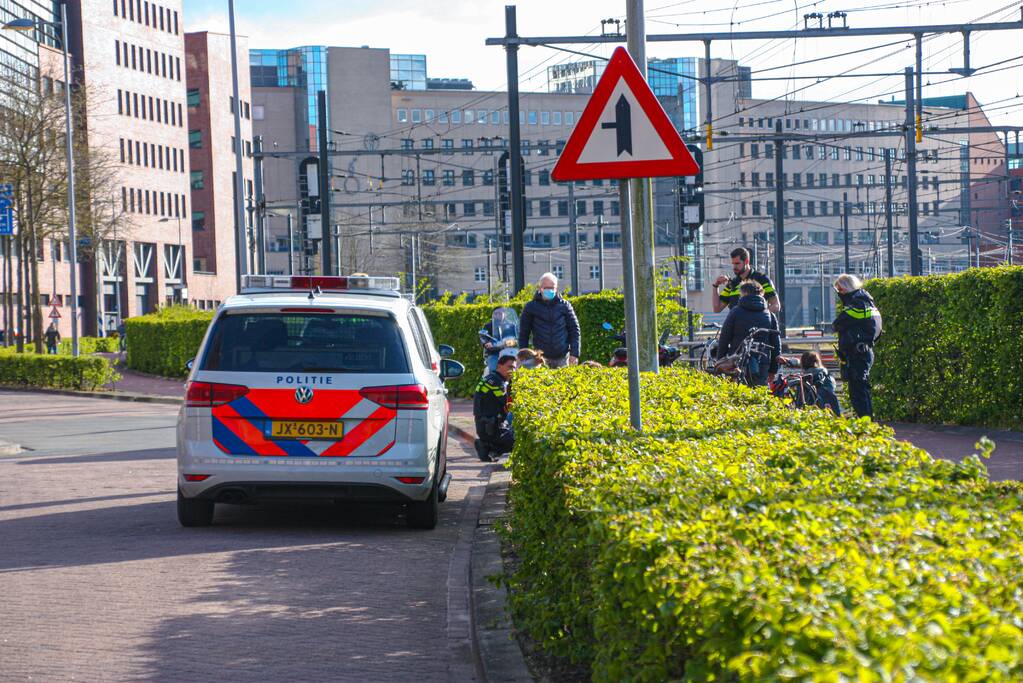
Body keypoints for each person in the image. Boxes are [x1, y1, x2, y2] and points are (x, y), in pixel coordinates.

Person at [833, 273, 882, 419]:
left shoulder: (858, 303)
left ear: (846, 288)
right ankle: (865, 422)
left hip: (858, 354)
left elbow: (838, 323)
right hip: (862, 352)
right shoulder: (866, 301)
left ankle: (866, 424)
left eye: (839, 290)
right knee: (859, 390)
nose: (839, 294)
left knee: (859, 391)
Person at [716, 280, 781, 386]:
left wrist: (720, 363)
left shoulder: (735, 312)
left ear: (744, 293)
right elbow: (776, 345)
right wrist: (773, 370)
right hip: (762, 363)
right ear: (761, 294)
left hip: (737, 362)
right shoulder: (770, 315)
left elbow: (724, 338)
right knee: (760, 395)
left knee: (738, 394)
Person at [518, 272, 580, 368]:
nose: (549, 290)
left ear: (556, 288)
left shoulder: (565, 305)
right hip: (540, 358)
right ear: (540, 288)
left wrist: (574, 354)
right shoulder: (530, 307)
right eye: (546, 288)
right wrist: (523, 356)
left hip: (562, 357)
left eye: (552, 288)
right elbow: (524, 333)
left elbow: (574, 330)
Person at [473, 354, 516, 462]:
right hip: (491, 427)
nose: (512, 370)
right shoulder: (497, 382)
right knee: (518, 441)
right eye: (509, 367)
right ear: (499, 366)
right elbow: (507, 404)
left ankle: (487, 446)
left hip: (488, 425)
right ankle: (487, 446)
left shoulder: (492, 378)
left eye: (514, 368)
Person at [712, 247, 781, 314]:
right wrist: (716, 286)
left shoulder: (763, 279)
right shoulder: (732, 283)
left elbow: (776, 305)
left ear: (746, 261)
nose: (734, 267)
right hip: (737, 325)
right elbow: (717, 309)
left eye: (737, 263)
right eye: (733, 264)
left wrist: (759, 316)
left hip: (757, 325)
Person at [800, 351, 841, 416]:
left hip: (812, 406)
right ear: (817, 361)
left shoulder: (804, 377)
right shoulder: (825, 372)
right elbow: (833, 385)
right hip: (830, 402)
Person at [482, 307, 519, 373]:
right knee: (493, 368)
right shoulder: (488, 326)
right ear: (492, 315)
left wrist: (515, 341)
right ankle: (493, 381)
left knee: (519, 368)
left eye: (500, 313)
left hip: (509, 351)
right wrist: (486, 343)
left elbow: (516, 336)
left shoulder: (511, 325)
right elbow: (484, 336)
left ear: (504, 314)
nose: (497, 315)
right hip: (494, 352)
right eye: (495, 313)